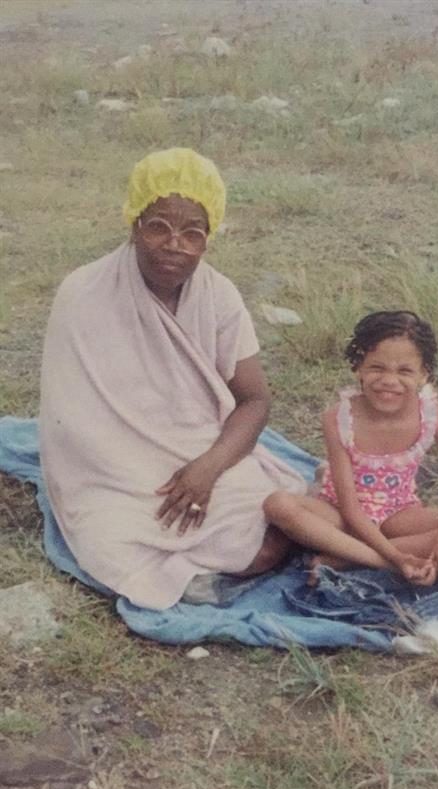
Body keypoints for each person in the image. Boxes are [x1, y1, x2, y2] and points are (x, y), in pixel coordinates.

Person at [39, 147, 306, 611]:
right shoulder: (82, 292)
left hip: (200, 449)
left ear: (208, 239)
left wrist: (207, 468)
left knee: (277, 525)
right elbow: (71, 423)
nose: (174, 244)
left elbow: (254, 401)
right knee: (110, 539)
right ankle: (192, 575)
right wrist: (134, 471)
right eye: (158, 226)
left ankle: (203, 572)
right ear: (134, 224)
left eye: (192, 232)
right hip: (112, 469)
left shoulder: (219, 296)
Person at [264, 310, 438, 585]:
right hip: (341, 516)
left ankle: (345, 558)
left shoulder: (433, 415)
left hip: (399, 514)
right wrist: (395, 558)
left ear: (423, 375)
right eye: (377, 368)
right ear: (358, 367)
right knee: (278, 505)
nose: (389, 381)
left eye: (404, 371)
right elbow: (352, 511)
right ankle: (379, 560)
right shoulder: (338, 418)